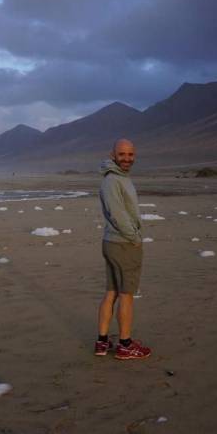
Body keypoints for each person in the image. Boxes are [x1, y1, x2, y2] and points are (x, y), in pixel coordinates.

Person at [95, 138, 151, 360]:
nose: (127, 158)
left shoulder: (119, 178)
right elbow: (118, 215)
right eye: (122, 154)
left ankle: (102, 342)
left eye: (130, 154)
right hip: (122, 244)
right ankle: (125, 345)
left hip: (113, 242)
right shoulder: (113, 180)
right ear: (113, 155)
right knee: (126, 295)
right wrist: (135, 238)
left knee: (112, 292)